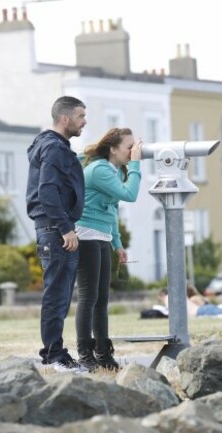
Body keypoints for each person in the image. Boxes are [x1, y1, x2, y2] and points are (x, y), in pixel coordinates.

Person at [26, 96, 87, 371]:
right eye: (80, 116)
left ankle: (56, 353)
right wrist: (66, 229)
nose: (84, 122)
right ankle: (53, 356)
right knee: (57, 295)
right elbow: (47, 191)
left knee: (60, 295)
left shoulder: (52, 145)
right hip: (55, 230)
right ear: (65, 119)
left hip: (55, 229)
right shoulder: (53, 148)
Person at [74, 127, 143, 371]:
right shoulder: (101, 169)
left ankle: (103, 354)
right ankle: (85, 355)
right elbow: (129, 194)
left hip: (100, 235)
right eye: (129, 146)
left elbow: (112, 208)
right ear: (113, 149)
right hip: (86, 235)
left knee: (102, 299)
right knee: (89, 297)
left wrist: (117, 243)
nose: (133, 151)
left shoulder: (111, 169)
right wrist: (135, 164)